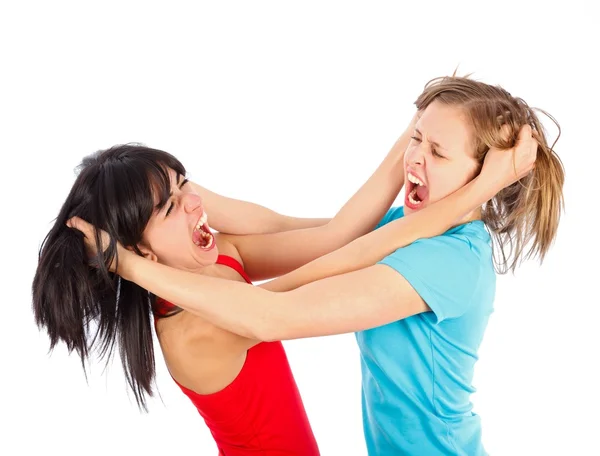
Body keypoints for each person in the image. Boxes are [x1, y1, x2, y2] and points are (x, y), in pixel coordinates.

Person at [70, 76, 565, 455]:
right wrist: (125, 264)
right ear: (143, 252)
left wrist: (434, 113)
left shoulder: (449, 259)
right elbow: (277, 304)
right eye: (418, 141)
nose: (196, 204)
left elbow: (337, 239)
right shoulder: (195, 324)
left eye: (436, 150)